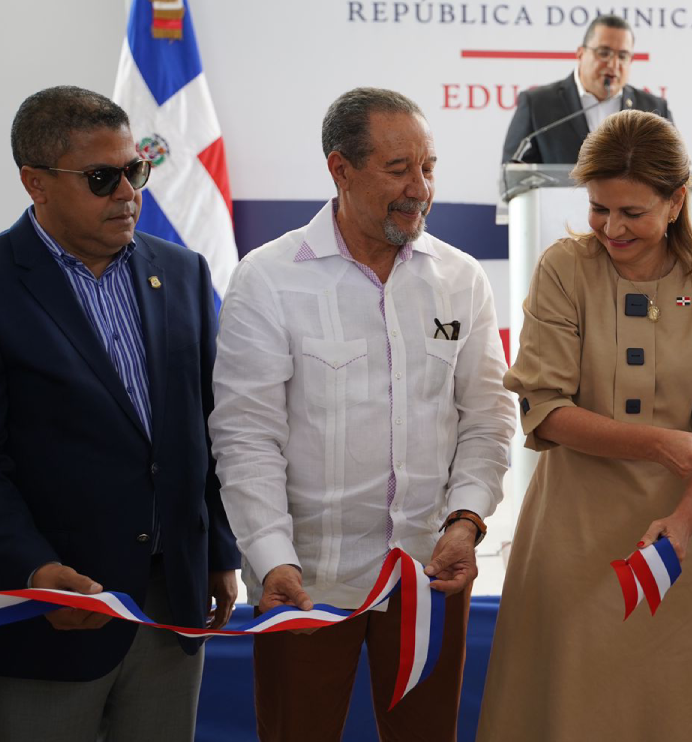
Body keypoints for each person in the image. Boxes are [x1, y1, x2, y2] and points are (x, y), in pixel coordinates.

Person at [208, 87, 515, 741]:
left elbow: (488, 417)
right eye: (398, 169)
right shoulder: (268, 278)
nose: (420, 188)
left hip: (430, 575)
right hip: (306, 579)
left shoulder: (461, 279)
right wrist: (272, 556)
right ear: (339, 169)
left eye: (428, 167)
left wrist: (467, 520)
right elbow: (246, 437)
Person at [477, 109, 692, 741]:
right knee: (572, 712)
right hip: (572, 535)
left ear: (676, 201)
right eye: (600, 208)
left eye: (631, 211)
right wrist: (660, 442)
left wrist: (683, 523)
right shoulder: (563, 268)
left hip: (684, 540)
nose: (610, 227)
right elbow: (545, 410)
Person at [0, 85, 239, 739]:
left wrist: (218, 546)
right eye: (103, 178)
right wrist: (33, 572)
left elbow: (209, 425)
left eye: (136, 170)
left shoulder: (183, 272)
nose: (129, 192)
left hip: (172, 605)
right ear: (35, 183)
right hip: (49, 617)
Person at [500, 15, 672, 164]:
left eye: (622, 56)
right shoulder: (537, 104)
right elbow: (513, 174)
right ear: (581, 54)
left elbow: (677, 171)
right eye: (604, 53)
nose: (613, 64)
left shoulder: (653, 109)